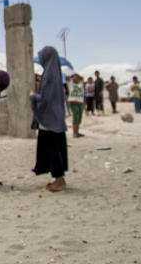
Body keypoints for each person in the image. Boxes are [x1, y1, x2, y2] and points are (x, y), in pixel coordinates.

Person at [32, 46, 69, 192]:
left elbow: (45, 98)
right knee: (56, 148)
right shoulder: (55, 74)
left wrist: (33, 97)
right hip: (56, 119)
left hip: (49, 120)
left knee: (52, 149)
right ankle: (59, 178)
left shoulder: (48, 76)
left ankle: (59, 180)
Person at [66, 72, 85, 138]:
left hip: (80, 103)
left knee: (79, 118)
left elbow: (83, 78)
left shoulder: (80, 84)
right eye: (74, 77)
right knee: (75, 117)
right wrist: (72, 76)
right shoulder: (70, 84)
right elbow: (67, 78)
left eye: (77, 77)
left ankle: (77, 132)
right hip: (73, 102)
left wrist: (79, 76)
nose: (76, 78)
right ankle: (74, 133)